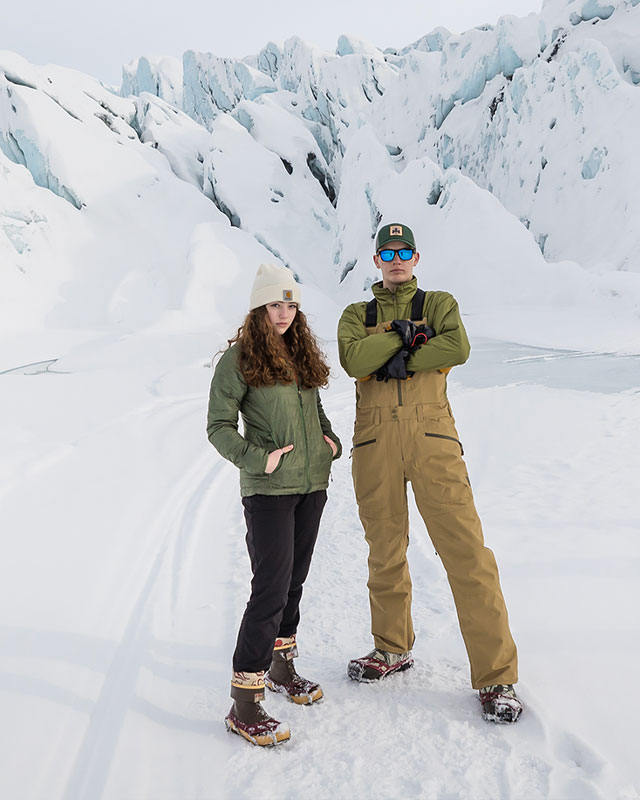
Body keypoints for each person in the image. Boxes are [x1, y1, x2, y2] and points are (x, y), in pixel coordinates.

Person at [337, 223, 522, 724]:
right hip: (374, 442)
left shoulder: (439, 304)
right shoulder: (357, 314)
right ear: (375, 260)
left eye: (404, 251)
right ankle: (391, 648)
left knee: (466, 551)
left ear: (416, 257)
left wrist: (401, 351)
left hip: (432, 438)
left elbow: (456, 347)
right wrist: (409, 342)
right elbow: (353, 359)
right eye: (386, 252)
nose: (396, 259)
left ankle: (496, 677)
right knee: (385, 550)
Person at [207, 263, 342, 746]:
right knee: (269, 587)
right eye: (274, 304)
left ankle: (282, 668)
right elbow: (218, 428)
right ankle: (244, 702)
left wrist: (330, 441)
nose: (283, 314)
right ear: (257, 307)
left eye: (290, 305)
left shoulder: (299, 352)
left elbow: (315, 408)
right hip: (267, 491)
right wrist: (257, 459)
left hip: (311, 484)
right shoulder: (238, 358)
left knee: (294, 582)